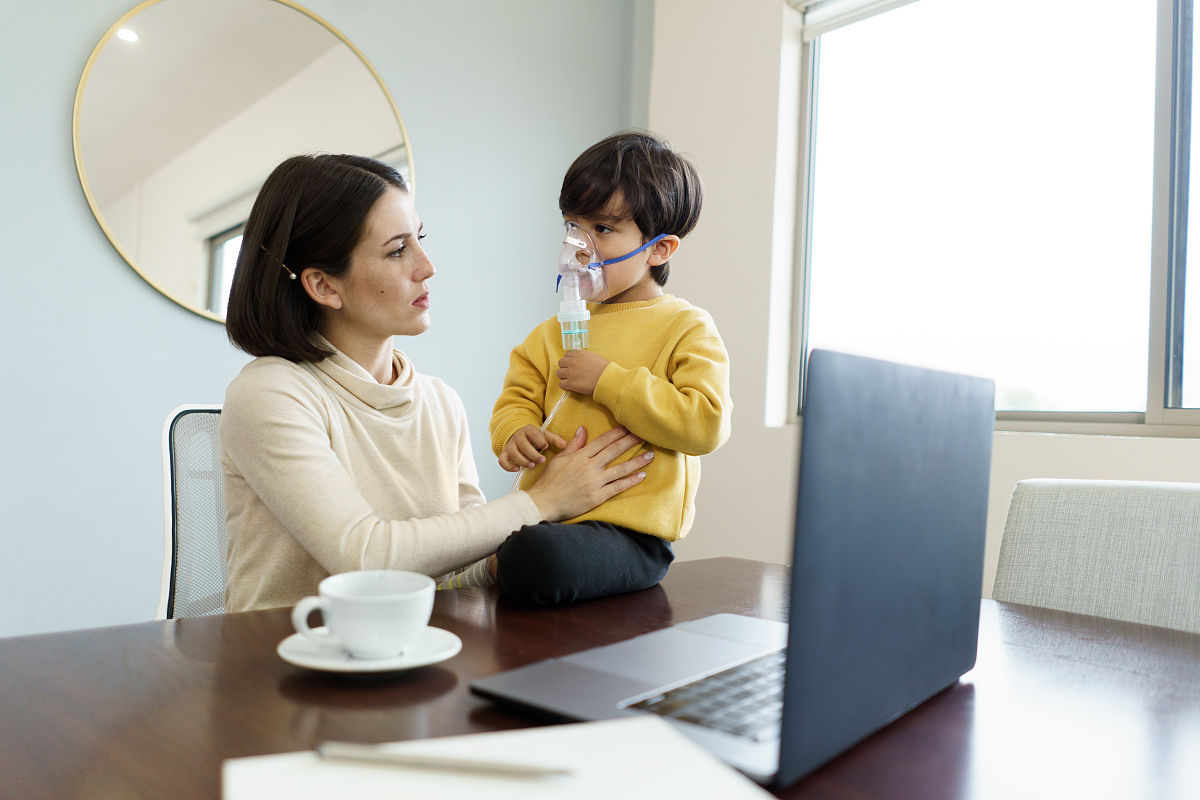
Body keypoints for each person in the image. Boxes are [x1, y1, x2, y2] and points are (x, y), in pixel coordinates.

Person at [219, 153, 652, 612]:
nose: (427, 267)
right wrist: (544, 501)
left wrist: (527, 558)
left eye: (419, 239)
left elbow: (451, 572)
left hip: (410, 655)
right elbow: (365, 557)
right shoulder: (270, 395)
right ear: (324, 286)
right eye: (397, 249)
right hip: (282, 665)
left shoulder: (439, 402)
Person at [482, 130, 731, 605]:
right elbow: (516, 398)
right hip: (548, 514)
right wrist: (515, 433)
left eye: (602, 229)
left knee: (536, 558)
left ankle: (503, 563)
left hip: (629, 534)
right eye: (573, 226)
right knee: (506, 542)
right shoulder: (549, 334)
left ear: (660, 249)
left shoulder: (684, 327)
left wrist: (608, 381)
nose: (580, 247)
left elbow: (705, 424)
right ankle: (502, 560)